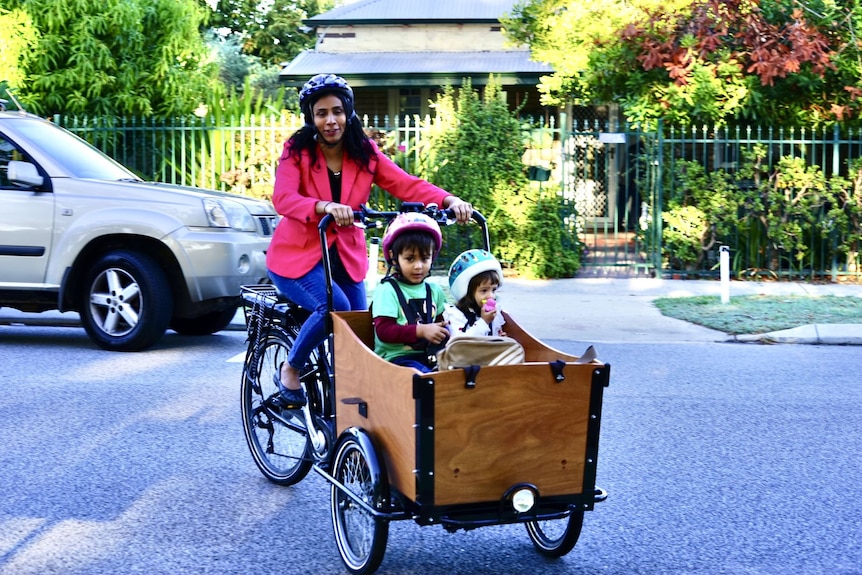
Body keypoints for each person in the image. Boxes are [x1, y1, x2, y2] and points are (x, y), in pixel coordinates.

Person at [266, 73, 472, 407]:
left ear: (348, 112)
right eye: (321, 113)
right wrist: (325, 206)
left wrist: (449, 200)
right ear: (311, 117)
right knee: (335, 307)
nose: (330, 120)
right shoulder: (298, 150)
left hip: (345, 254)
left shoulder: (364, 152)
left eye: (337, 111)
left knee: (361, 329)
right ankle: (291, 368)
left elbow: (407, 184)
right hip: (297, 257)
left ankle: (349, 405)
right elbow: (284, 198)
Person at [372, 213, 450, 373]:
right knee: (427, 380)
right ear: (394, 257)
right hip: (396, 359)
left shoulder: (434, 291)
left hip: (432, 355)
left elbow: (446, 323)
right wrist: (421, 331)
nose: (418, 266)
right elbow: (384, 331)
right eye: (410, 259)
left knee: (466, 373)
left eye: (425, 258)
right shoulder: (387, 290)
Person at [443, 249, 506, 338]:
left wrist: (499, 338)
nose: (491, 296)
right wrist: (484, 322)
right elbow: (461, 345)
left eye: (493, 290)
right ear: (467, 293)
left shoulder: (494, 313)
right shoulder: (456, 316)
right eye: (484, 290)